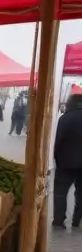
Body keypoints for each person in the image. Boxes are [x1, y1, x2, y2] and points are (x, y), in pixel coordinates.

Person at [52, 94, 82, 228]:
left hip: (66, 163)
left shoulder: (65, 118)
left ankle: (59, 220)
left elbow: (58, 141)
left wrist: (57, 159)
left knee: (60, 192)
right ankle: (77, 219)